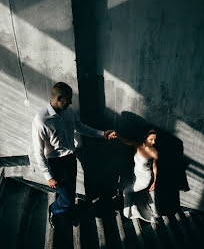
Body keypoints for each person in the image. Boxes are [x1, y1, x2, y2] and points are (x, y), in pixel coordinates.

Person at [32, 82, 115, 228]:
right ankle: (54, 209)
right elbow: (38, 151)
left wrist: (102, 134)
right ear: (59, 97)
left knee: (71, 192)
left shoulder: (69, 112)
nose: (70, 102)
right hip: (55, 163)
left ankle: (69, 212)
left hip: (71, 159)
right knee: (65, 198)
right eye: (68, 99)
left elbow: (80, 127)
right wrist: (48, 176)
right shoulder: (41, 120)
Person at [117, 128, 160, 223]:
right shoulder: (138, 145)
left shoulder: (154, 152)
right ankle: (153, 211)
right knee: (137, 193)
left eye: (155, 140)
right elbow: (126, 141)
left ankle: (127, 214)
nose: (154, 142)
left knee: (126, 191)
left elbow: (154, 167)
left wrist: (154, 182)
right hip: (136, 174)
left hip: (145, 178)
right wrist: (117, 135)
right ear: (145, 138)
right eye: (151, 139)